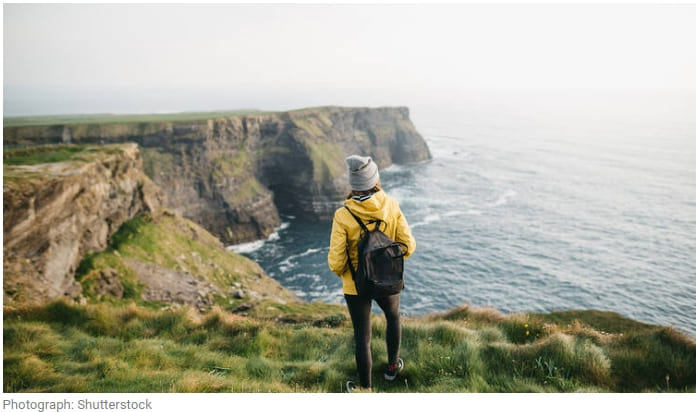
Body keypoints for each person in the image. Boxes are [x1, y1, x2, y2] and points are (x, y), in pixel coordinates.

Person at [328, 154, 416, 392]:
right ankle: (391, 369)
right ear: (375, 179)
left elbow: (336, 262)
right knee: (394, 317)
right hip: (387, 278)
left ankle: (365, 390)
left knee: (362, 339)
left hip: (356, 285)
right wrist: (385, 263)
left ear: (352, 185)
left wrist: (352, 274)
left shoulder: (343, 215)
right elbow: (408, 246)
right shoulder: (391, 205)